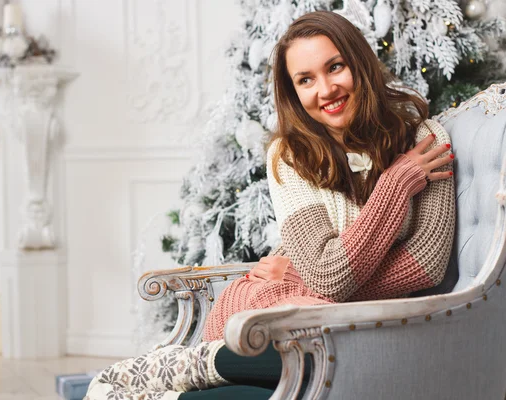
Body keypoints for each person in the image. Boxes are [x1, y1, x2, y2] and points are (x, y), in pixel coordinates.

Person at [85, 10, 455, 400]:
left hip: (341, 326)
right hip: (273, 306)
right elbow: (330, 275)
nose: (326, 89)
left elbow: (425, 266)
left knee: (299, 369)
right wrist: (395, 185)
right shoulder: (291, 155)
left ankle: (170, 382)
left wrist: (313, 279)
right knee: (307, 357)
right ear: (293, 92)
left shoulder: (424, 140)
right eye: (306, 80)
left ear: (359, 63)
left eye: (335, 67)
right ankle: (187, 366)